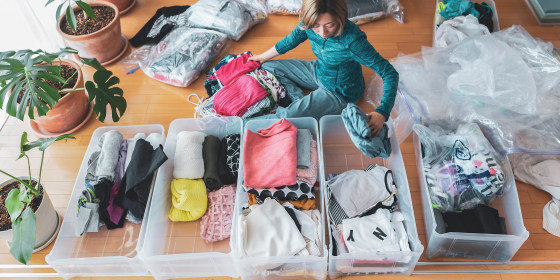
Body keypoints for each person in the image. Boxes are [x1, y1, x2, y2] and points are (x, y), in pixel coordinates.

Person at [248, 0, 398, 136]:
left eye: (330, 25)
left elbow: (389, 72)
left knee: (285, 117)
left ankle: (239, 125)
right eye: (316, 26)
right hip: (319, 70)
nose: (322, 33)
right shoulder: (309, 23)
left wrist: (382, 112)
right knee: (267, 66)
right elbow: (291, 40)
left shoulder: (353, 41)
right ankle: (300, 102)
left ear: (341, 18)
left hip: (339, 92)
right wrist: (262, 56)